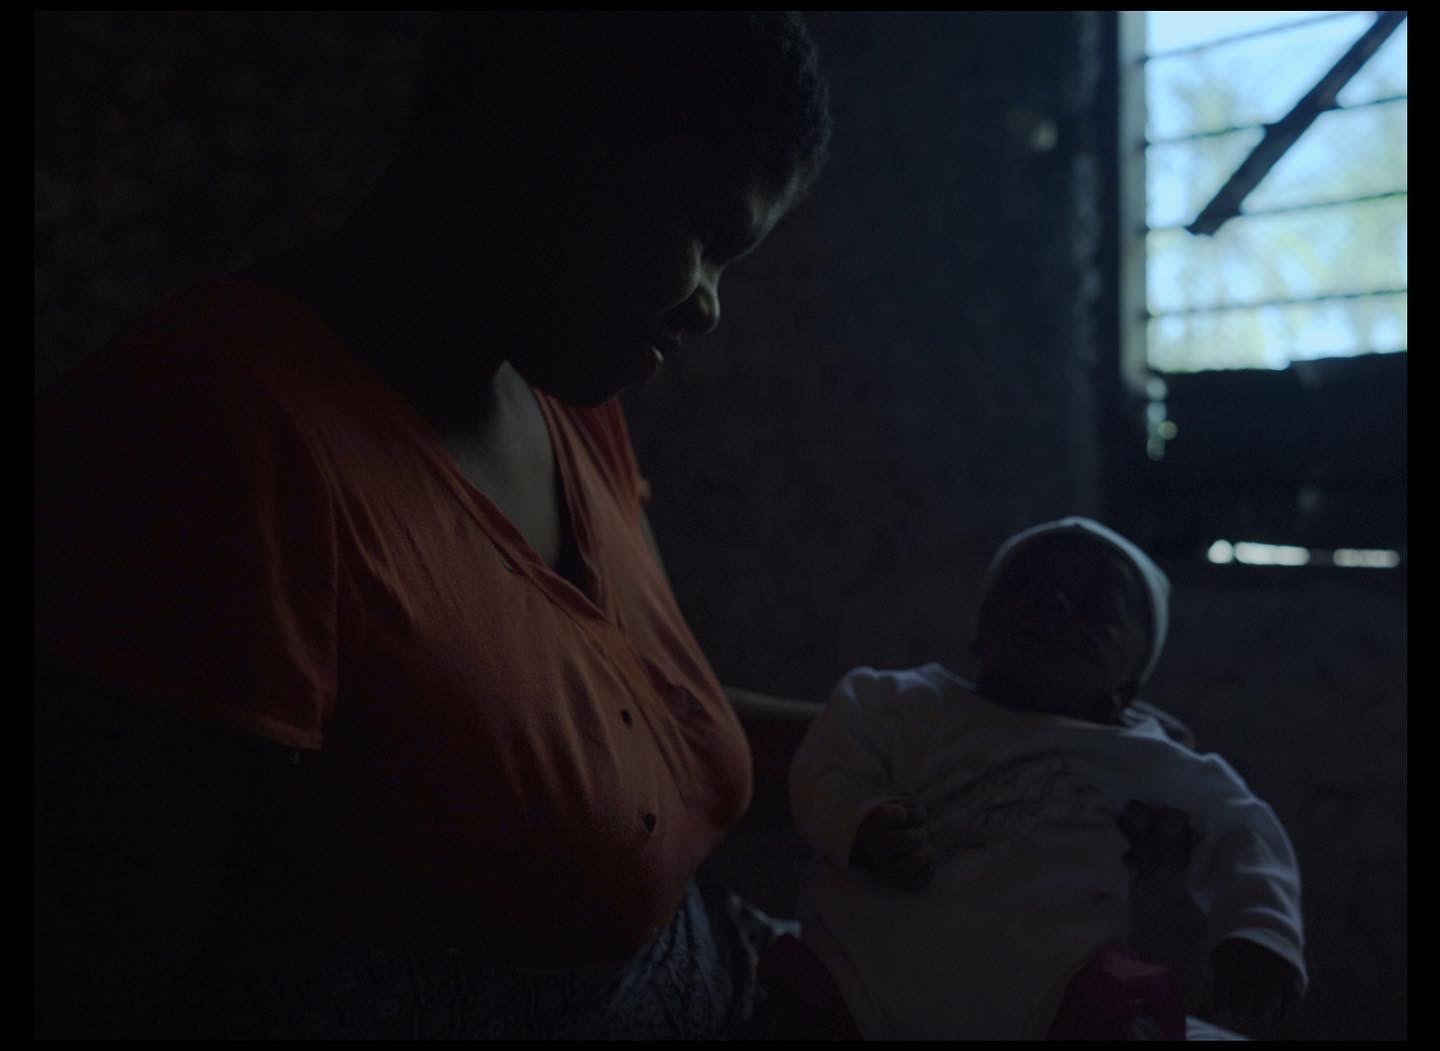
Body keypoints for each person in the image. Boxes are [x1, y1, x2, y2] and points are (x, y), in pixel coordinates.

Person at [33, 14, 1196, 1039]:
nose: (707, 308)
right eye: (709, 233)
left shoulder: (566, 408)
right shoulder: (217, 430)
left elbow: (592, 725)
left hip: (740, 973)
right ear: (554, 113)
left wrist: (1019, 751)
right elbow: (115, 965)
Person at [788, 516, 1307, 1040]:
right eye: (1026, 587)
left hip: (1053, 1003)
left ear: (1130, 683)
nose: (1053, 604)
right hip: (857, 978)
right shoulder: (898, 703)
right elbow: (827, 763)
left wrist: (1259, 929)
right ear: (978, 627)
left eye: (1096, 607)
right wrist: (858, 819)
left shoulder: (1146, 757)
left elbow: (1244, 832)